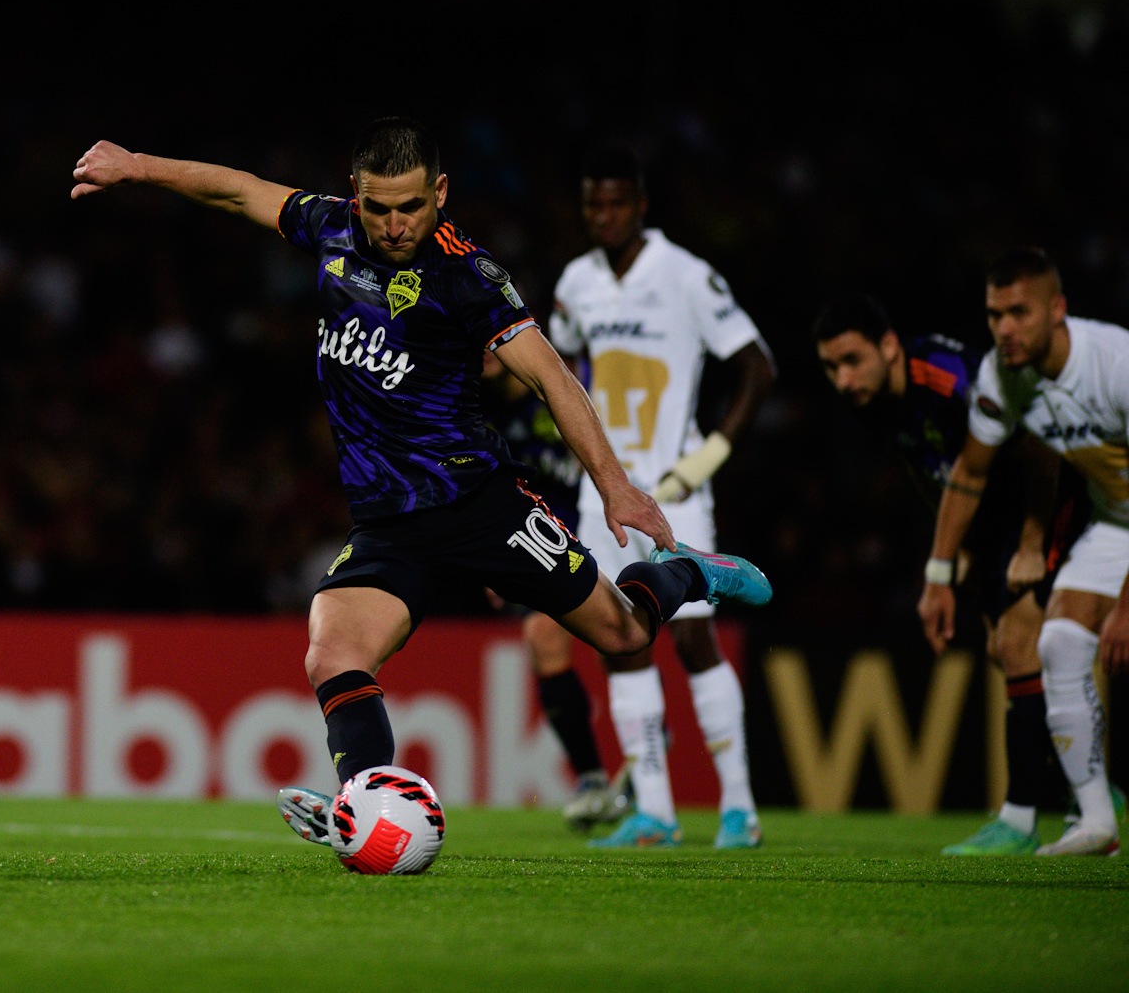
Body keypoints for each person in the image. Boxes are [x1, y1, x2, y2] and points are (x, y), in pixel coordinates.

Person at [69, 119, 773, 851]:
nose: (396, 224)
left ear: (440, 192)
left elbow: (551, 376)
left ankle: (691, 573)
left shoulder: (467, 275)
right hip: (389, 524)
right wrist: (136, 166)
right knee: (332, 654)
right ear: (355, 196)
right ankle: (367, 806)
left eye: (411, 205)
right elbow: (239, 192)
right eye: (379, 208)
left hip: (482, 507)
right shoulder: (331, 230)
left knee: (624, 635)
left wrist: (616, 486)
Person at [545, 145, 775, 849]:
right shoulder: (576, 283)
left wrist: (707, 456)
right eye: (592, 204)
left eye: (615, 203)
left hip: (675, 490)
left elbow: (756, 367)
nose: (602, 216)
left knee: (696, 637)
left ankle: (740, 809)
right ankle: (655, 812)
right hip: (602, 493)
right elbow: (562, 369)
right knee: (618, 644)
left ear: (640, 205)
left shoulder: (687, 276)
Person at [814, 292, 1083, 854]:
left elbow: (1037, 444)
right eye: (831, 368)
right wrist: (952, 549)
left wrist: (1034, 543)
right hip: (988, 515)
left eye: (852, 360)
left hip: (1044, 498)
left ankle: (1021, 816)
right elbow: (924, 465)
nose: (842, 379)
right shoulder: (876, 401)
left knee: (1018, 645)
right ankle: (1093, 787)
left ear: (889, 347)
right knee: (1005, 649)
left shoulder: (948, 377)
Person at [922, 248, 1129, 857]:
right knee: (1059, 641)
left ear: (1058, 310)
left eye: (1019, 313)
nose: (1004, 329)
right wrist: (938, 574)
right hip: (1118, 522)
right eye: (994, 315)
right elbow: (970, 473)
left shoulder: (1115, 363)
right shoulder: (1000, 375)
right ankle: (1095, 824)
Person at [482, 349, 628, 830]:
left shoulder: (564, 385)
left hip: (603, 528)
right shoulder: (476, 403)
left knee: (620, 646)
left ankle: (646, 745)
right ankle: (592, 778)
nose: (482, 351)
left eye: (489, 339)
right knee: (543, 640)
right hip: (541, 540)